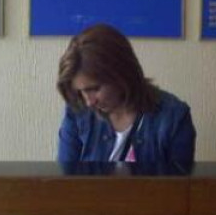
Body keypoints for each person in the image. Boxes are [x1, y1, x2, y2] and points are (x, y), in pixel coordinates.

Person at [56, 24, 196, 164]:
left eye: (95, 89)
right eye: (80, 92)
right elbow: (65, 174)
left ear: (121, 74)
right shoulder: (76, 111)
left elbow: (178, 178)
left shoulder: (174, 117)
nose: (89, 102)